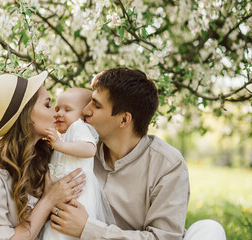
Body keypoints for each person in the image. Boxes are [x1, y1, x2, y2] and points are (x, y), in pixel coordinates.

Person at [49, 67, 226, 240]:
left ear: (124, 119)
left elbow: (163, 237)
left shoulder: (168, 165)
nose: (85, 111)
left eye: (96, 105)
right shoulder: (77, 150)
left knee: (210, 230)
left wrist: (89, 230)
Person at [0, 72, 87, 240]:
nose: (56, 114)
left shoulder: (47, 156)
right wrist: (49, 200)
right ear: (27, 115)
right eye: (47, 105)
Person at [41, 88, 115, 240]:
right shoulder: (63, 137)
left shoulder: (78, 127)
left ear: (83, 115)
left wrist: (59, 145)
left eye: (67, 109)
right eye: (57, 109)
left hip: (78, 199)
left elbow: (89, 149)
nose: (59, 113)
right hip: (60, 200)